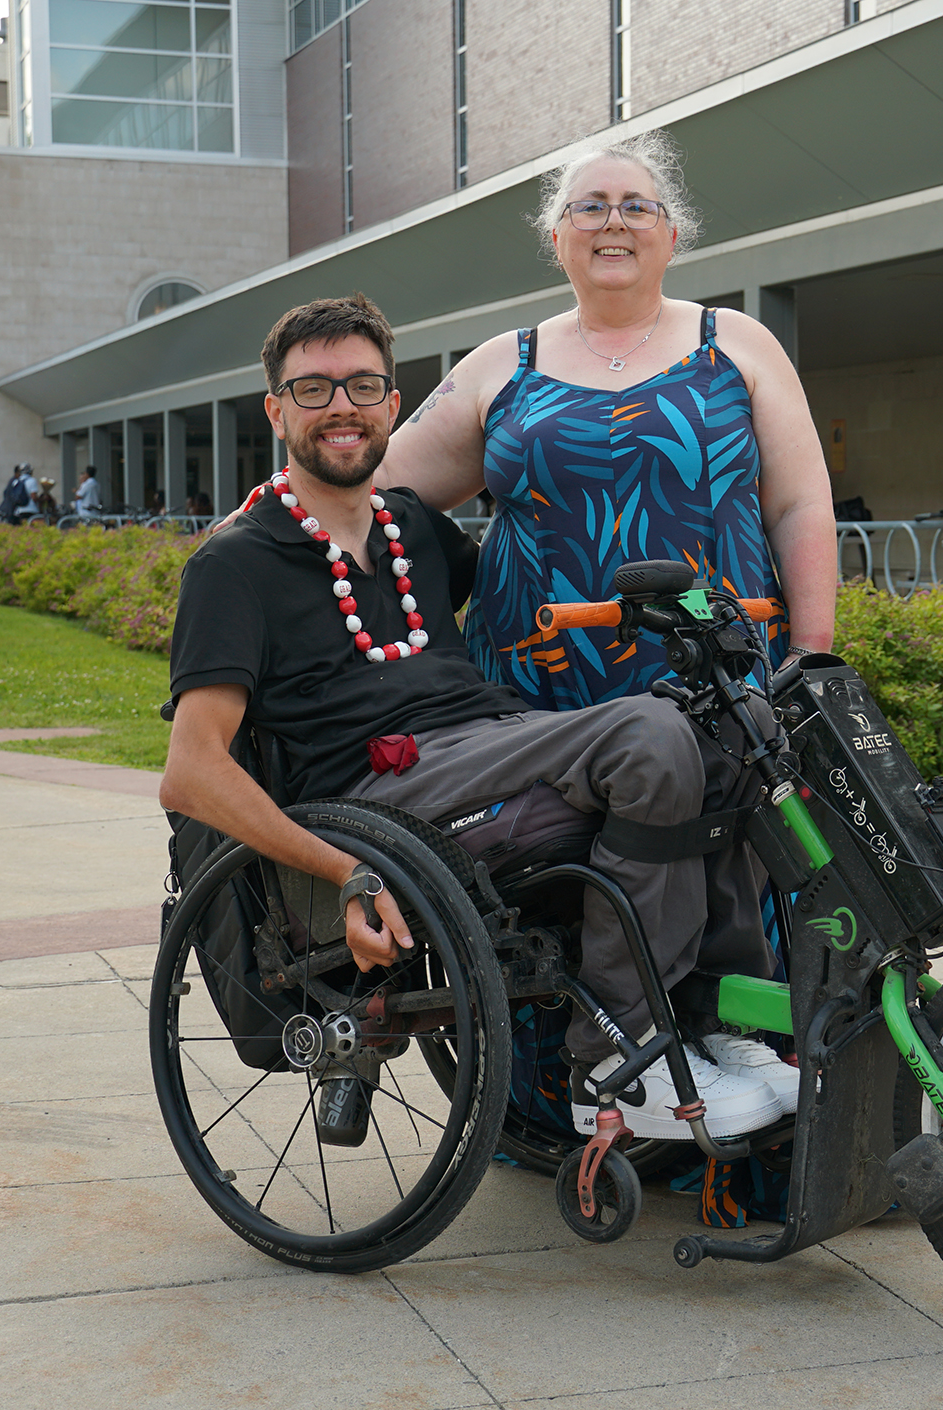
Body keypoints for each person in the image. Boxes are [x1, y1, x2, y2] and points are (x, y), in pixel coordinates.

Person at [160, 293, 797, 1141]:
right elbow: (191, 773)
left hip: (489, 746)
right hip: (379, 789)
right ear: (277, 412)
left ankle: (717, 1025)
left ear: (393, 405)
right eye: (312, 390)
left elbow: (524, 567)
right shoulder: (236, 563)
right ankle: (616, 1058)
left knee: (733, 724)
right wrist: (345, 870)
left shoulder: (411, 529)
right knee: (647, 737)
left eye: (362, 386)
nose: (341, 407)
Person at [369, 131, 837, 709]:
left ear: (671, 237)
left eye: (637, 207)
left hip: (723, 676)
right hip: (532, 681)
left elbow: (799, 506)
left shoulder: (738, 343)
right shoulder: (500, 364)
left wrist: (810, 655)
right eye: (590, 208)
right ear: (557, 237)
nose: (614, 222)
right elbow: (377, 483)